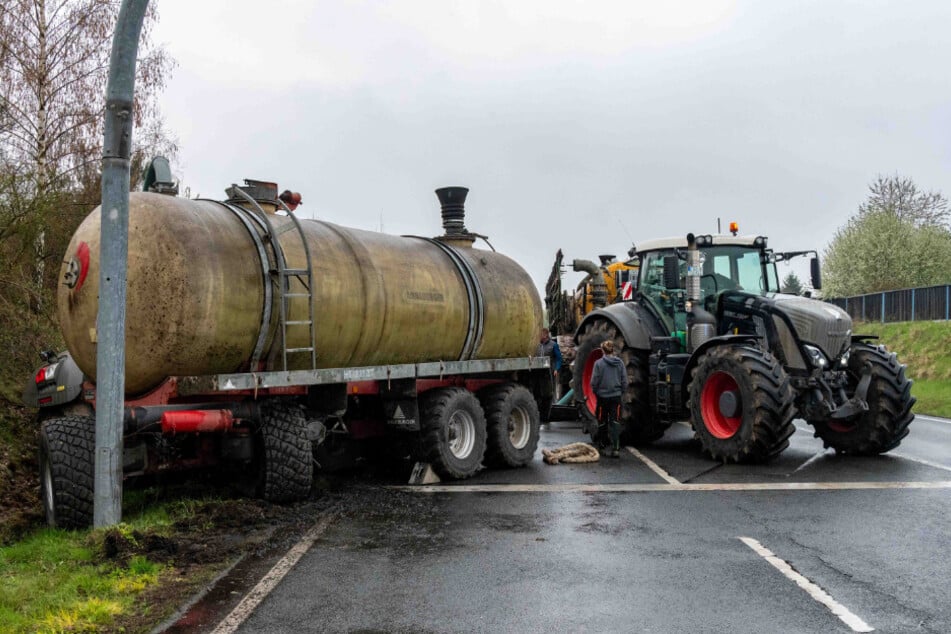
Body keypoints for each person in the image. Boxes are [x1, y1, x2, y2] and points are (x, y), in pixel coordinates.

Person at [589, 340, 627, 458]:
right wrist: (620, 392)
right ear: (613, 350)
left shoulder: (598, 364)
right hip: (616, 397)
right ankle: (616, 448)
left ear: (602, 351)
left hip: (602, 397)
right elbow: (624, 381)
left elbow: (594, 381)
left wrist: (597, 392)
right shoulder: (620, 363)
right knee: (615, 422)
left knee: (602, 421)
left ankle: (602, 446)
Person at [535, 327, 563, 423]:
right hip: (539, 372)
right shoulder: (538, 345)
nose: (539, 336)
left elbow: (559, 358)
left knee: (549, 393)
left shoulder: (553, 345)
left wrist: (556, 368)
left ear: (546, 335)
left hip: (550, 373)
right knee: (539, 393)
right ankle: (540, 414)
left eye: (540, 334)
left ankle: (548, 415)